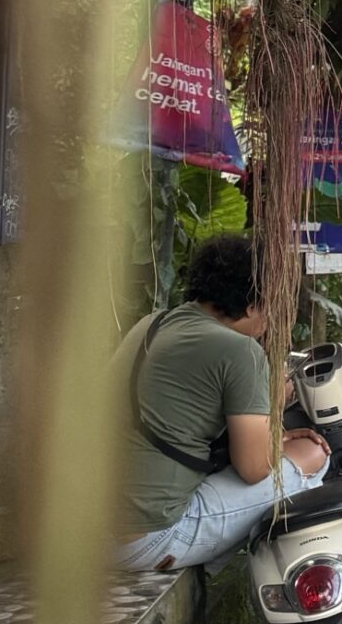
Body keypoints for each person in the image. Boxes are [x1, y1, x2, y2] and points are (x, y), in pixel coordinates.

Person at [114, 235, 330, 574]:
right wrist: (274, 407)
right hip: (145, 539)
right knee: (312, 454)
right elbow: (255, 469)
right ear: (251, 304)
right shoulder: (241, 351)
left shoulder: (152, 325)